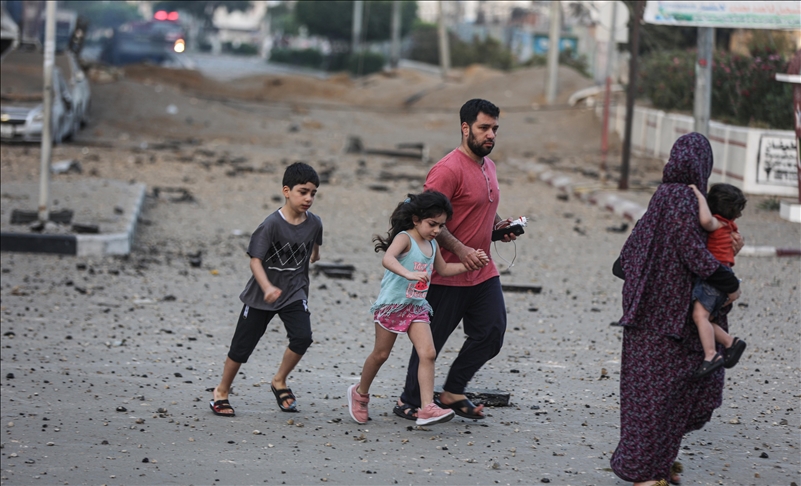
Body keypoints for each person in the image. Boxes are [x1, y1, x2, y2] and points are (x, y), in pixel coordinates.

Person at [610, 133, 743, 486]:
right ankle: (646, 475)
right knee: (665, 401)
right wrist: (729, 283)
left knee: (648, 402)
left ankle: (655, 467)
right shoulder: (685, 198)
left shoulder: (661, 198)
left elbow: (623, 262)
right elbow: (692, 252)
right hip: (669, 325)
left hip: (644, 319)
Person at [395, 98, 518, 421]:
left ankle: (452, 390)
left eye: (494, 129)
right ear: (465, 128)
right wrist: (461, 249)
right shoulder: (447, 170)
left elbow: (478, 210)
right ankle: (408, 401)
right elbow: (426, 217)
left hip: (483, 271)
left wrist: (498, 227)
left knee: (492, 333)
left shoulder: (488, 166)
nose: (490, 135)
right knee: (430, 343)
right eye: (484, 128)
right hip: (445, 271)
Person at [348, 191, 489, 426]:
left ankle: (426, 408)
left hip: (416, 307)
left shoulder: (432, 244)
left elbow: (443, 270)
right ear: (416, 219)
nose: (436, 230)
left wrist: (469, 265)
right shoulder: (405, 238)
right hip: (392, 305)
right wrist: (409, 274)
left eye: (441, 226)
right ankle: (360, 393)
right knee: (381, 354)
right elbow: (388, 259)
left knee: (428, 353)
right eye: (432, 224)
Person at [209, 162, 323, 417]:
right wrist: (267, 287)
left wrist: (314, 254)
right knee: (241, 347)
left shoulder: (315, 223)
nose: (308, 198)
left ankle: (279, 381)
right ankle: (222, 391)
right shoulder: (271, 224)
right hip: (261, 295)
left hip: (294, 291)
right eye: (303, 191)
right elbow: (255, 260)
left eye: (313, 193)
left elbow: (315, 247)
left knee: (303, 337)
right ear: (286, 190)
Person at [688, 183, 748, 378]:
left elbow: (705, 221)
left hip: (715, 276)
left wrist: (698, 195)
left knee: (699, 316)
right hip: (724, 275)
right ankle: (731, 343)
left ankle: (711, 354)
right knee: (706, 319)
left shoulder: (718, 223)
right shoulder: (731, 226)